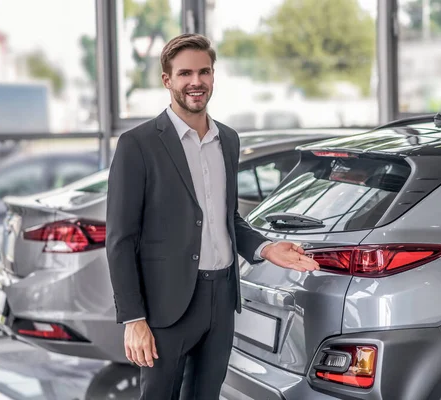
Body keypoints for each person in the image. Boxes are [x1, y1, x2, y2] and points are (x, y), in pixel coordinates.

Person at [105, 33, 320, 400]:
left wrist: (266, 248)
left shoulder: (229, 140)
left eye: (204, 72)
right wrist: (133, 319)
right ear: (167, 80)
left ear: (213, 76)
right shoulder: (138, 145)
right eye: (185, 73)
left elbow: (226, 217)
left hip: (221, 299)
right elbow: (121, 239)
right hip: (164, 308)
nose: (196, 82)